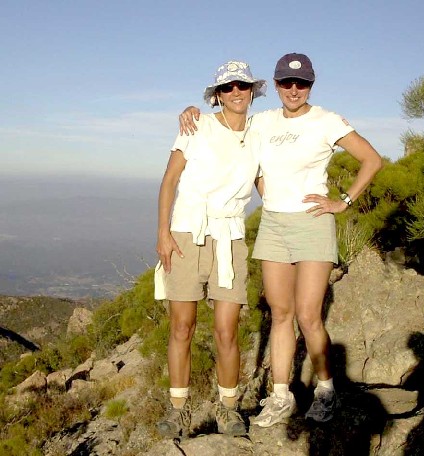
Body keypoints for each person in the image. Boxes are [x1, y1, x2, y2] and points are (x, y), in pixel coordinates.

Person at [179, 53, 383, 427]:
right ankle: (280, 395)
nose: (293, 90)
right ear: (273, 86)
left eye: (301, 83)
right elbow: (229, 126)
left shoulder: (327, 121)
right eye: (286, 84)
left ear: (311, 85)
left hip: (313, 223)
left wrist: (343, 202)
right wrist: (193, 109)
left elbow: (371, 159)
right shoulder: (263, 122)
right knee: (280, 314)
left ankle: (325, 389)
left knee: (308, 315)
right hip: (273, 223)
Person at [155, 60, 266, 438]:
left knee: (226, 331)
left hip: (230, 237)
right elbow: (169, 181)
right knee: (182, 326)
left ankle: (228, 407)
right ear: (217, 95)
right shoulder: (196, 126)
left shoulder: (260, 133)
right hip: (187, 232)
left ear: (253, 91)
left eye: (243, 86)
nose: (236, 93)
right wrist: (163, 233)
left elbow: (267, 185)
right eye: (228, 87)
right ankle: (178, 408)